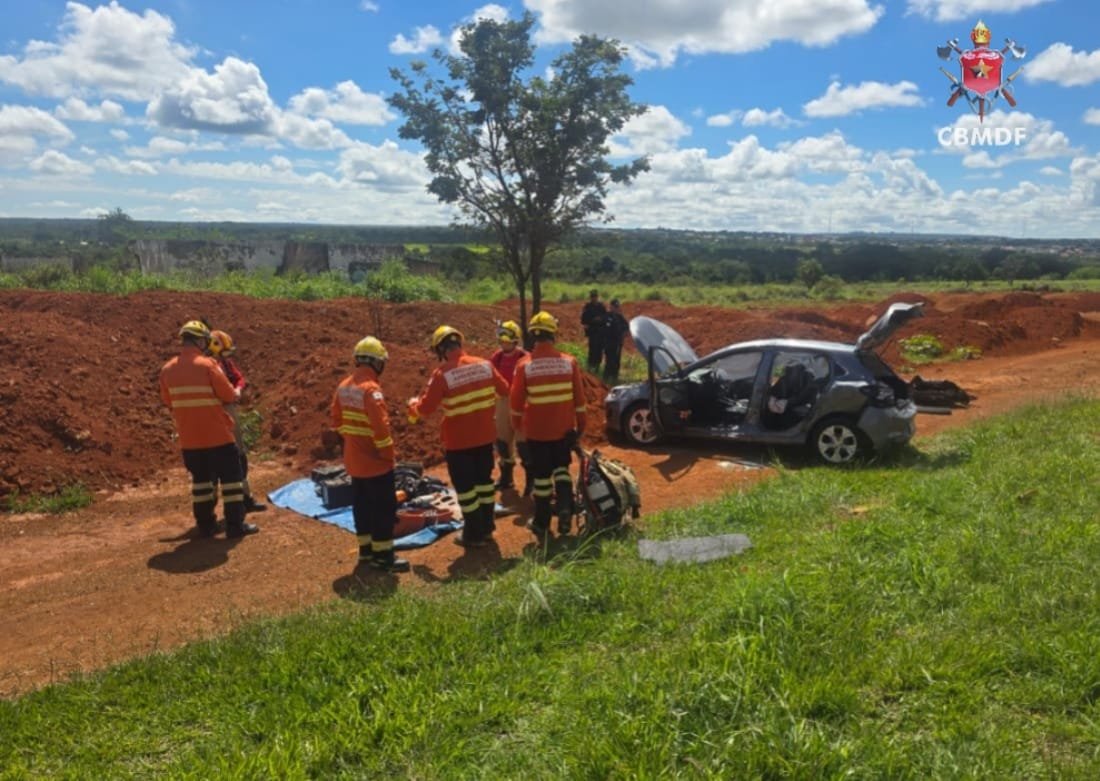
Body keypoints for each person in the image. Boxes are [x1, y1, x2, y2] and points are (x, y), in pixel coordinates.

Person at [408, 325, 510, 548]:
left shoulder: (442, 374)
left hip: (459, 442)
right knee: (484, 484)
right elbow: (504, 390)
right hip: (485, 438)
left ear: (441, 350)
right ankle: (487, 528)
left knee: (466, 490)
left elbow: (425, 409)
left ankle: (473, 534)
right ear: (459, 343)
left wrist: (413, 405)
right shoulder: (485, 365)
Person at [159, 320, 259, 539]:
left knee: (202, 484)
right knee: (232, 481)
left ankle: (206, 526)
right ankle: (235, 525)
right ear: (199, 341)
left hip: (189, 440)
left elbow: (168, 401)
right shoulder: (208, 366)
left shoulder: (167, 370)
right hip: (218, 436)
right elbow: (228, 395)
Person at [330, 336, 408, 572]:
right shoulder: (371, 390)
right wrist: (387, 456)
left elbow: (337, 421)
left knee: (362, 506)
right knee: (383, 509)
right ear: (376, 362)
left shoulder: (343, 386)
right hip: (376, 463)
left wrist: (354, 441)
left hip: (354, 462)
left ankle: (366, 552)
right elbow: (381, 430)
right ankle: (383, 557)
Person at [510, 310, 587, 539]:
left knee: (542, 478)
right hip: (564, 431)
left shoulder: (524, 365)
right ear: (553, 335)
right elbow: (580, 400)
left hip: (537, 433)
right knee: (562, 470)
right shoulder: (569, 362)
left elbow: (516, 404)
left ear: (533, 336)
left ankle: (542, 523)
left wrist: (517, 426)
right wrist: (580, 427)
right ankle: (565, 509)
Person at [206, 329, 266, 514]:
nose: (226, 357)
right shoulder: (207, 366)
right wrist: (231, 392)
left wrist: (238, 389)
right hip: (214, 412)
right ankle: (212, 508)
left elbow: (238, 377)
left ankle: (245, 498)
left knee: (239, 456)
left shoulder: (224, 363)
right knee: (216, 461)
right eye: (223, 352)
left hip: (228, 409)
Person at [489, 320, 530, 495]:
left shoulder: (524, 357)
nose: (503, 344)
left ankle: (531, 481)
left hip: (522, 401)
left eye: (506, 340)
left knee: (524, 444)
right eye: (501, 340)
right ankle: (506, 478)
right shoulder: (497, 357)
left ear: (515, 340)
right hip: (503, 401)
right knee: (503, 442)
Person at [580, 289, 608, 374]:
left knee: (599, 350)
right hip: (592, 332)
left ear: (597, 297)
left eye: (595, 296)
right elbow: (583, 319)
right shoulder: (587, 307)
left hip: (601, 332)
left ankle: (597, 367)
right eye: (592, 297)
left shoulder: (601, 306)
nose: (594, 298)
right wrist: (592, 321)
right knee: (592, 349)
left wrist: (600, 319)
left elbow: (606, 317)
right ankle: (591, 366)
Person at [602, 298, 629, 385]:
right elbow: (605, 329)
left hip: (618, 343)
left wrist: (624, 333)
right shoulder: (607, 316)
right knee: (609, 361)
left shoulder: (620, 317)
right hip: (609, 343)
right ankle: (606, 379)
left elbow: (626, 326)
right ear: (611, 306)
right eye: (614, 307)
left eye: (617, 307)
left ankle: (614, 378)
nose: (616, 308)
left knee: (616, 361)